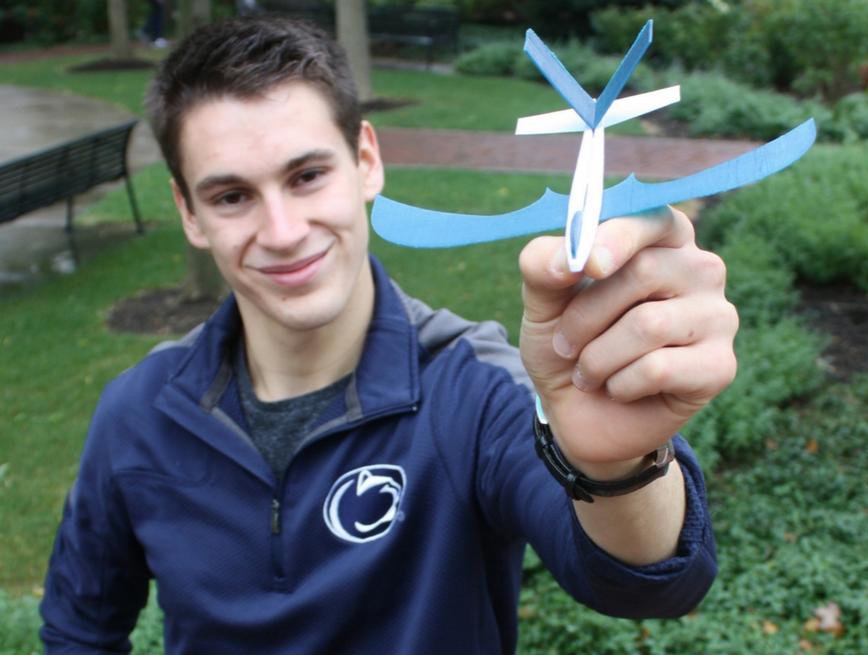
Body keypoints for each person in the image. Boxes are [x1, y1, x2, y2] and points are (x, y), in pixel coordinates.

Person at [40, 16, 738, 653]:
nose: (282, 232)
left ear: (366, 160)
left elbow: (650, 584)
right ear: (188, 212)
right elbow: (79, 631)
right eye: (231, 196)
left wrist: (617, 467)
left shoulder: (475, 389)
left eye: (307, 175)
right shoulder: (139, 413)